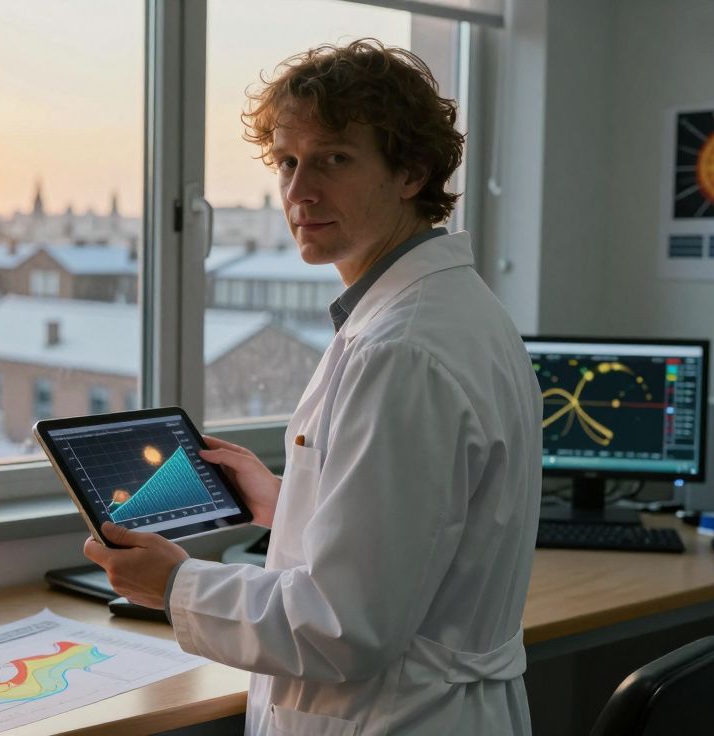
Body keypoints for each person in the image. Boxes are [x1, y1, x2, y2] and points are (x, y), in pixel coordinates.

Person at [84, 38, 541, 735]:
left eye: (333, 159)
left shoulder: (403, 350)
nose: (299, 192)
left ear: (411, 172)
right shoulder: (448, 310)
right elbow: (421, 524)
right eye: (288, 163)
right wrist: (287, 502)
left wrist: (174, 586)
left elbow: (344, 626)